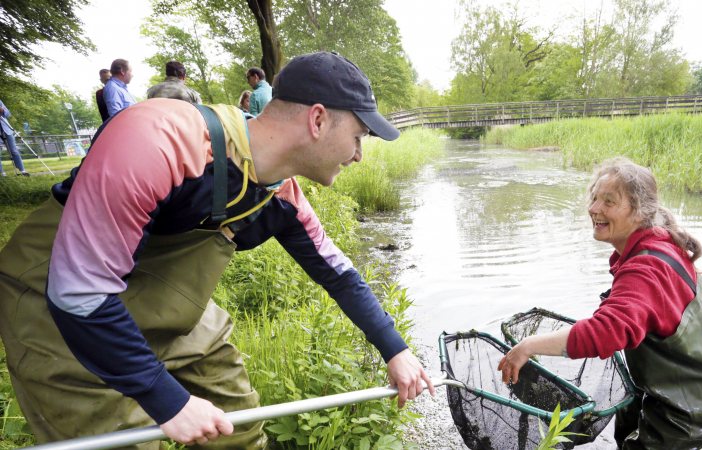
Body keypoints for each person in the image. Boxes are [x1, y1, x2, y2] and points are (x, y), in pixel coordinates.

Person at [0, 51, 433, 448]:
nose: (359, 154)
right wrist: (167, 399)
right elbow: (78, 292)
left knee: (239, 424)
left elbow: (338, 274)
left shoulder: (281, 195)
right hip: (57, 298)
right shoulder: (159, 139)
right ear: (317, 121)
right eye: (359, 135)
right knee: (122, 439)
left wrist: (396, 349)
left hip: (161, 303)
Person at [498, 158, 702, 450]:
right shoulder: (658, 245)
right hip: (694, 386)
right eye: (594, 198)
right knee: (627, 424)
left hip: (696, 404)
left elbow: (605, 332)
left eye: (609, 201)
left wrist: (528, 346)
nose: (593, 209)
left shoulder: (647, 267)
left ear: (639, 211)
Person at [0, 99, 29, 176]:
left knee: (14, 150)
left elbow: (8, 114)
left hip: (6, 128)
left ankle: (22, 170)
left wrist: (2, 111)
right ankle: (2, 173)